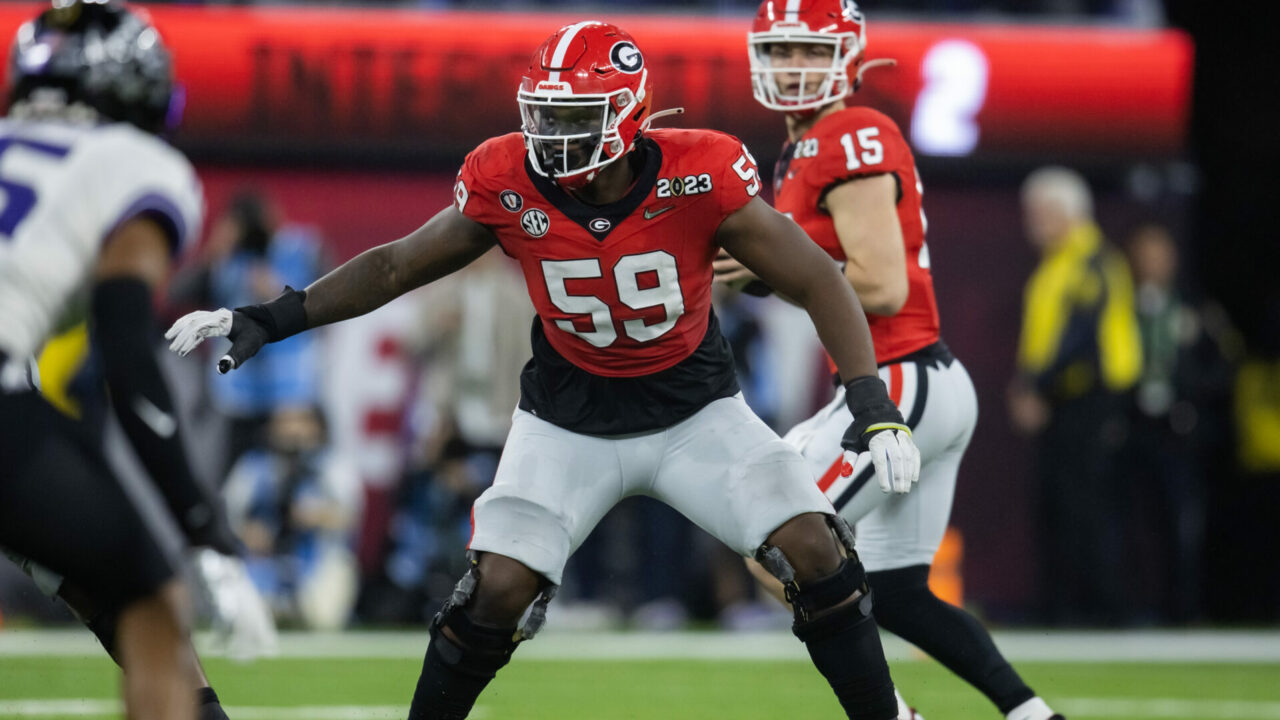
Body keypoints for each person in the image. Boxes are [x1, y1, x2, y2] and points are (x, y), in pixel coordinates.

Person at [168, 20, 920, 720]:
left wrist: (869, 400)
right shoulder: (506, 177)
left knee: (818, 551)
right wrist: (269, 318)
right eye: (545, 114)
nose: (551, 135)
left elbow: (820, 280)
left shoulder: (702, 171)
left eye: (575, 116)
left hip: (698, 416)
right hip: (566, 423)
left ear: (627, 115)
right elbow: (397, 264)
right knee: (493, 592)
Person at [713, 2, 1064, 719]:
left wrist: (767, 273)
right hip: (915, 382)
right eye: (781, 51)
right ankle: (1035, 716)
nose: (793, 67)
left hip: (900, 383)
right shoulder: (809, 144)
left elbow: (880, 284)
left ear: (848, 57)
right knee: (898, 592)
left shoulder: (850, 132)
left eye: (811, 53)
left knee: (776, 542)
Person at [0, 2, 234, 718]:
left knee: (102, 574)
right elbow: (127, 342)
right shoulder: (131, 162)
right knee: (149, 596)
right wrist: (198, 523)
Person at [1008, 166, 1141, 626]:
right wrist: (1029, 384)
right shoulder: (1057, 263)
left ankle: (1102, 609)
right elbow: (1045, 336)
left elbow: (1081, 336)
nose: (1032, 221)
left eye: (1041, 212)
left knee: (1086, 503)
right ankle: (1062, 606)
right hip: (1063, 400)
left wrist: (1036, 387)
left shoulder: (1094, 260)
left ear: (1068, 212)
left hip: (1092, 399)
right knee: (1058, 503)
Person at [223, 405, 362, 630]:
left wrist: (317, 516)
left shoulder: (331, 465)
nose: (292, 430)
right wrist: (249, 531)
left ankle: (299, 607)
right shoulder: (255, 466)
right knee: (246, 612)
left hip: (317, 558)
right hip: (266, 559)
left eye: (300, 421)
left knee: (320, 615)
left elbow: (351, 516)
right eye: (285, 421)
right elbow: (227, 515)